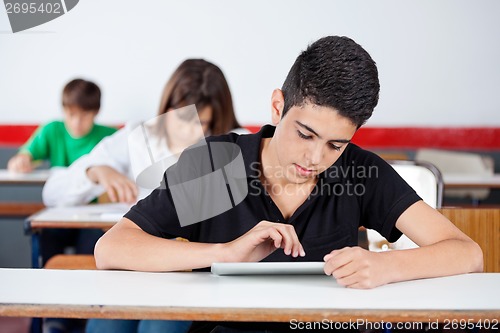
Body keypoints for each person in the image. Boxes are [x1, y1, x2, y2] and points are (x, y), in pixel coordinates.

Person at [94, 37, 483, 333]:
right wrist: (225, 253)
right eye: (305, 134)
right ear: (278, 106)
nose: (315, 158)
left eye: (335, 144)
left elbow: (466, 254)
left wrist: (385, 265)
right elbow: (112, 248)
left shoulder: (357, 172)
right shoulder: (220, 166)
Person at [42, 59, 246, 333]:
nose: (187, 131)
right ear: (167, 107)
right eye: (179, 117)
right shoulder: (140, 135)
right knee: (105, 329)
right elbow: (52, 192)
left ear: (217, 118)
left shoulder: (237, 144)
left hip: (195, 273)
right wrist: (95, 171)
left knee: (158, 328)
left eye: (201, 122)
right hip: (134, 269)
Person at [7, 78, 116, 173]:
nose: (76, 122)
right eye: (71, 114)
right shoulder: (52, 130)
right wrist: (21, 160)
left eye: (85, 115)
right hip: (58, 196)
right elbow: (26, 154)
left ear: (96, 112)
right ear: (63, 109)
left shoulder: (111, 137)